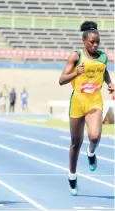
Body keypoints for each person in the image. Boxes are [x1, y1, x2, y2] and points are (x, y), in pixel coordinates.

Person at [59, 21, 114, 196]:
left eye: (97, 42)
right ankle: (72, 176)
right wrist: (77, 73)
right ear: (84, 41)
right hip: (77, 101)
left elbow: (103, 70)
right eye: (92, 42)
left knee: (95, 136)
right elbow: (61, 80)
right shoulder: (76, 57)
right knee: (76, 142)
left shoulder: (103, 56)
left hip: (94, 100)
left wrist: (110, 83)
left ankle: (91, 152)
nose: (95, 44)